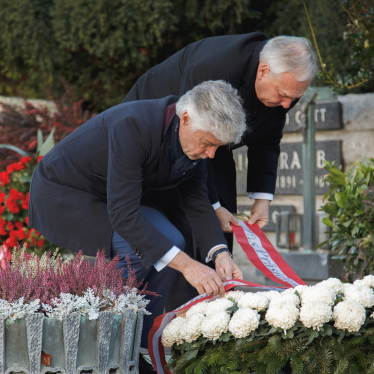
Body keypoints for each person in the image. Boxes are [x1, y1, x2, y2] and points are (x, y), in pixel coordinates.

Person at [28, 81, 247, 371]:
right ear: (185, 119)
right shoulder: (134, 126)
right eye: (208, 143)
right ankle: (101, 347)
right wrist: (188, 266)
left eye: (217, 147)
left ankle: (139, 349)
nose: (211, 155)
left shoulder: (193, 139)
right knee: (159, 249)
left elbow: (197, 200)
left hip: (112, 197)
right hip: (64, 194)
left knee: (171, 242)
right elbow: (123, 214)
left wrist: (220, 254)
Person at [123, 33, 319, 247]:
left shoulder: (284, 90)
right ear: (263, 71)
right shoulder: (213, 68)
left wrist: (261, 199)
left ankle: (220, 274)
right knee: (185, 218)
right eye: (283, 95)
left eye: (294, 98)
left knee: (224, 219)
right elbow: (194, 138)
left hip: (213, 142)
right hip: (161, 133)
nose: (286, 104)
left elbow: (267, 137)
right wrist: (213, 207)